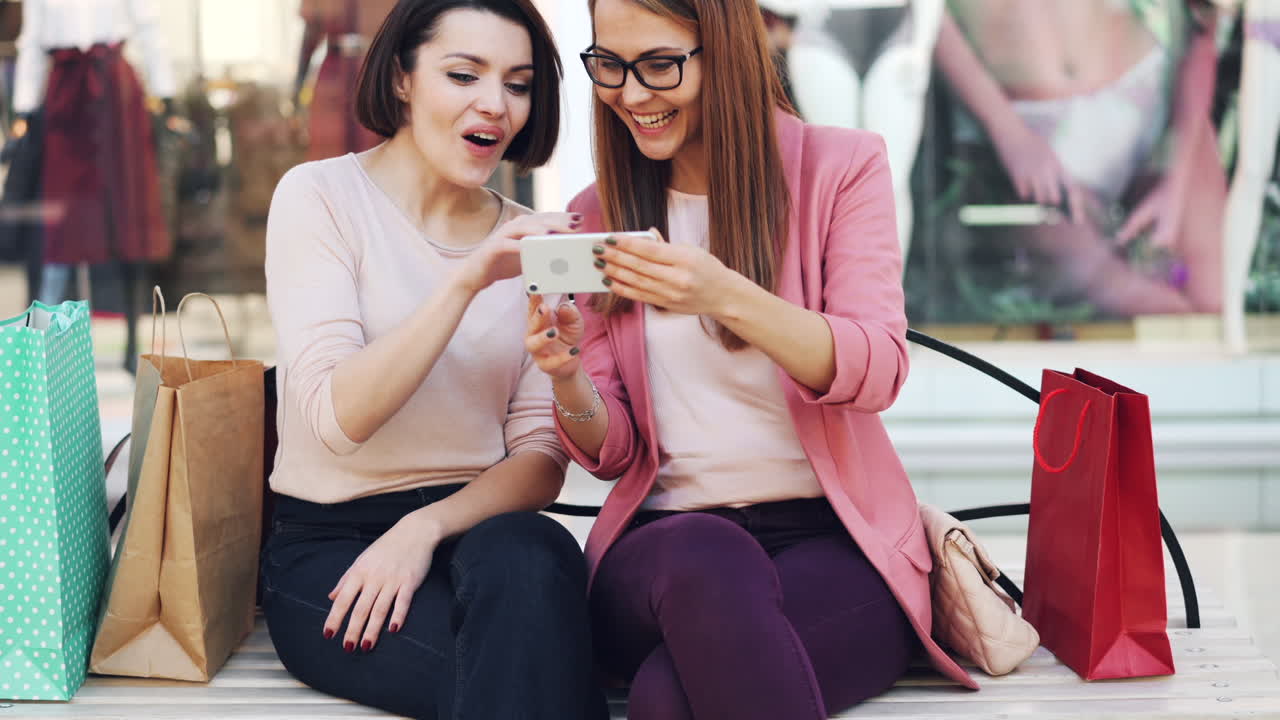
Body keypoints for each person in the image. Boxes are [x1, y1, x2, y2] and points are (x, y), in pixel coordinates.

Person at [524, 0, 977, 718]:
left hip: (828, 542)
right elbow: (611, 454)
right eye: (610, 64)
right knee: (708, 554)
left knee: (665, 701)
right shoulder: (600, 212)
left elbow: (878, 367)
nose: (631, 94)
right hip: (664, 551)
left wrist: (725, 293)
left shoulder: (840, 169)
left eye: (660, 65)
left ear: (727, 53)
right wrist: (567, 375)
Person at [261, 1, 604, 718]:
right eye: (463, 74)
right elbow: (336, 419)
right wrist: (466, 280)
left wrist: (424, 528)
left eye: (518, 83)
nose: (496, 104)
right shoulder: (318, 198)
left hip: (479, 530)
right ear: (403, 79)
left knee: (536, 554)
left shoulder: (534, 243)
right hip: (334, 542)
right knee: (527, 676)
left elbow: (541, 456)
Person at [934, 0, 1226, 316]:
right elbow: (923, 16)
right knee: (1153, 308)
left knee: (1215, 310)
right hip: (1021, 124)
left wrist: (1176, 178)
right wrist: (1005, 129)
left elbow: (1203, 21)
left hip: (1149, 94)